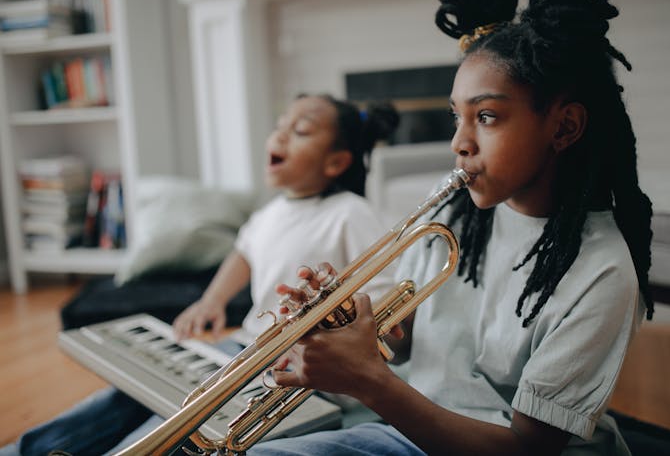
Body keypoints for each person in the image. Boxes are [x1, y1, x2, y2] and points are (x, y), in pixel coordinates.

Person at [248, 0, 654, 456]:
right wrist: (348, 324)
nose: (460, 143)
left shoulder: (603, 269)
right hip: (411, 434)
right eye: (456, 117)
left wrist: (370, 382)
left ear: (564, 127)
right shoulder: (452, 217)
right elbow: (406, 342)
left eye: (485, 117)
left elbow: (527, 450)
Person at [5, 94, 400, 456]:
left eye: (300, 130)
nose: (280, 134)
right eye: (281, 124)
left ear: (336, 161)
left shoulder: (351, 212)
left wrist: (338, 324)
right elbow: (242, 254)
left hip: (296, 372)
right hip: (242, 348)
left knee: (180, 420)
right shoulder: (271, 213)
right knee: (129, 395)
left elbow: (381, 294)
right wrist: (211, 300)